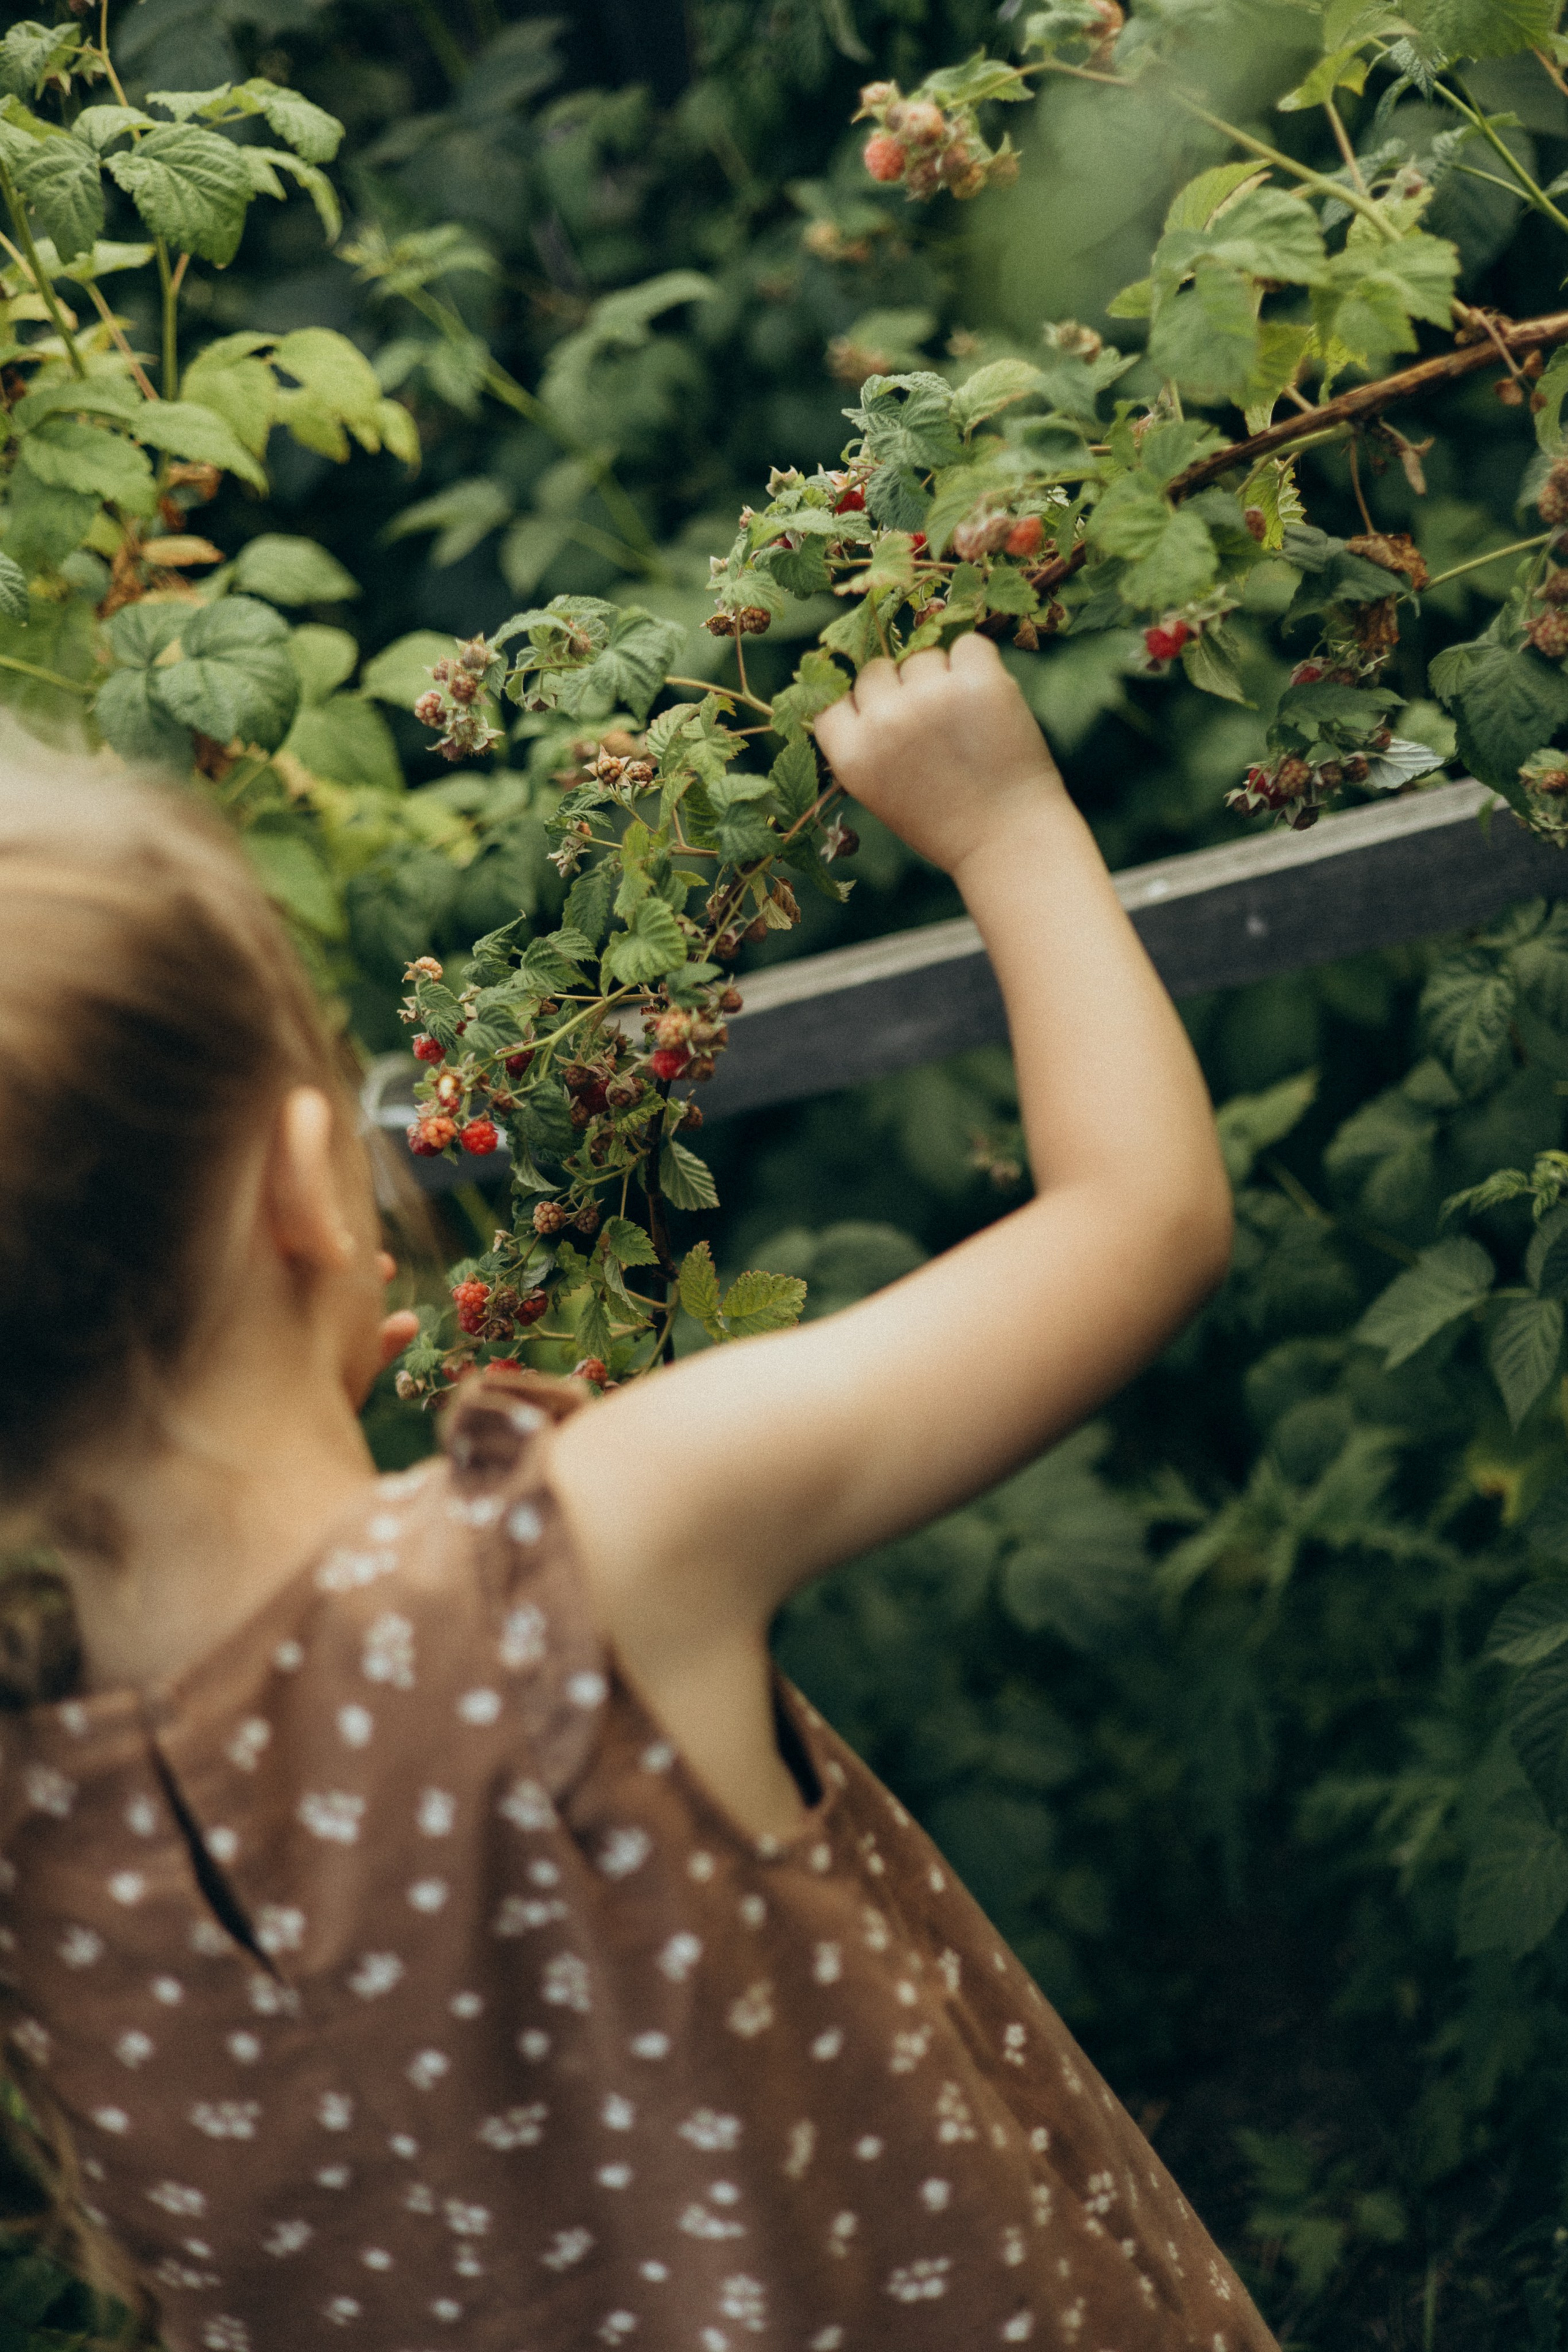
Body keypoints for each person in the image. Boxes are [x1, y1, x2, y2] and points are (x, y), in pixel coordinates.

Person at [0, 635, 1271, 2352]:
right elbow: (1142, 1220)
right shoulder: (575, 1552)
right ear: (306, 1189)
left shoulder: (38, 1821)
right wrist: (1008, 825)